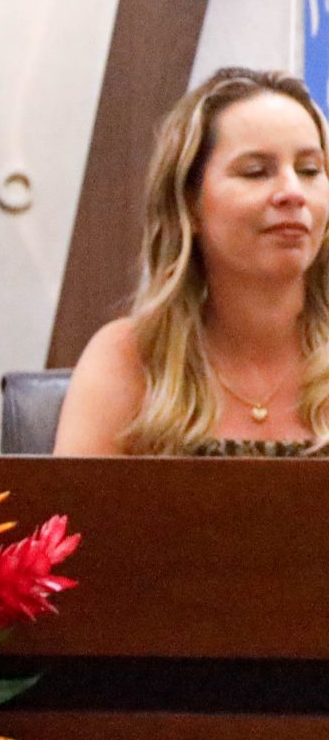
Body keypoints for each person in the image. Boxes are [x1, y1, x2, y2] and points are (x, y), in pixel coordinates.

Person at [58, 68, 329, 456]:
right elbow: (73, 499)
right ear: (190, 203)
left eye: (309, 170)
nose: (292, 192)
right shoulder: (129, 359)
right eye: (256, 172)